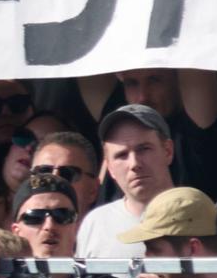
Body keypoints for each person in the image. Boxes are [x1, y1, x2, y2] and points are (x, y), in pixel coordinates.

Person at [77, 103, 183, 258]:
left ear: (168, 150)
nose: (134, 164)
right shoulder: (94, 224)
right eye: (121, 155)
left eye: (144, 149)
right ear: (110, 167)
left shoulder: (210, 221)